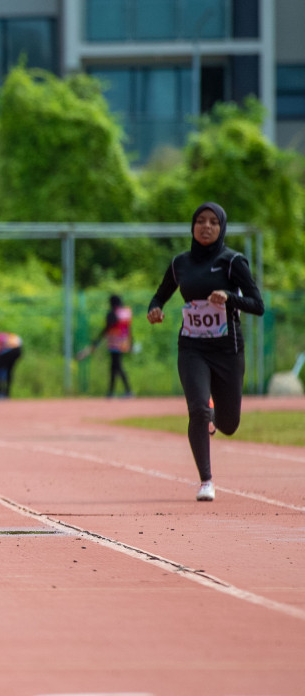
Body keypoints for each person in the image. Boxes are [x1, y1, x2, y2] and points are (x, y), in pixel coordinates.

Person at [147, 202, 265, 502]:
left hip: (227, 349)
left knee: (228, 424)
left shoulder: (232, 261)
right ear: (193, 226)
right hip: (192, 346)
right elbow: (161, 294)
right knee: (197, 409)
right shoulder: (180, 264)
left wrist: (228, 297)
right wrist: (155, 309)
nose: (206, 226)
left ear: (221, 227)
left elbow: (258, 305)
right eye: (201, 221)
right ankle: (206, 481)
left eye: (213, 222)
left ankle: (213, 415)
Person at [78, 295, 134, 398]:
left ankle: (127, 391)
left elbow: (107, 329)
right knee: (114, 367)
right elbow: (129, 329)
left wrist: (96, 341)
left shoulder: (112, 314)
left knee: (117, 367)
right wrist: (131, 343)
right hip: (123, 343)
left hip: (115, 344)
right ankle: (111, 392)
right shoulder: (126, 312)